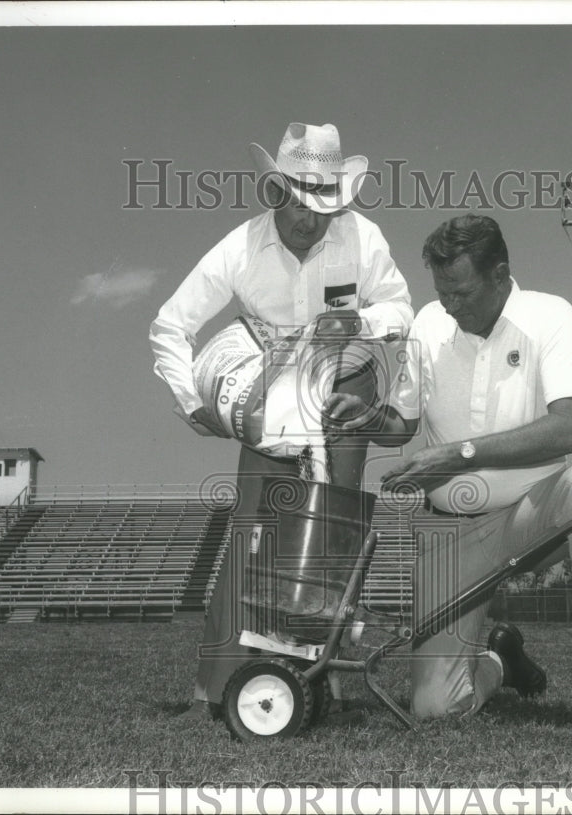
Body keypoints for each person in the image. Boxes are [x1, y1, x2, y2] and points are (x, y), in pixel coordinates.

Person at [322, 214, 572, 734]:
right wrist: (369, 416)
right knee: (434, 708)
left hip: (535, 514)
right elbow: (404, 425)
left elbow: (571, 428)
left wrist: (461, 454)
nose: (450, 306)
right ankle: (502, 658)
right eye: (442, 293)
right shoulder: (430, 322)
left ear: (501, 274)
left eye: (462, 293)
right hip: (449, 529)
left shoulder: (551, 314)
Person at [149, 122, 413, 719]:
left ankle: (327, 682)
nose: (310, 220)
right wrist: (191, 400)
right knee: (251, 535)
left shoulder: (363, 238)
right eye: (299, 204)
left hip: (345, 386)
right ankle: (210, 691)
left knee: (331, 535)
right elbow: (170, 323)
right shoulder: (239, 247)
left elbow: (402, 306)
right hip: (271, 399)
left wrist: (360, 324)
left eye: (324, 207)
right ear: (276, 191)